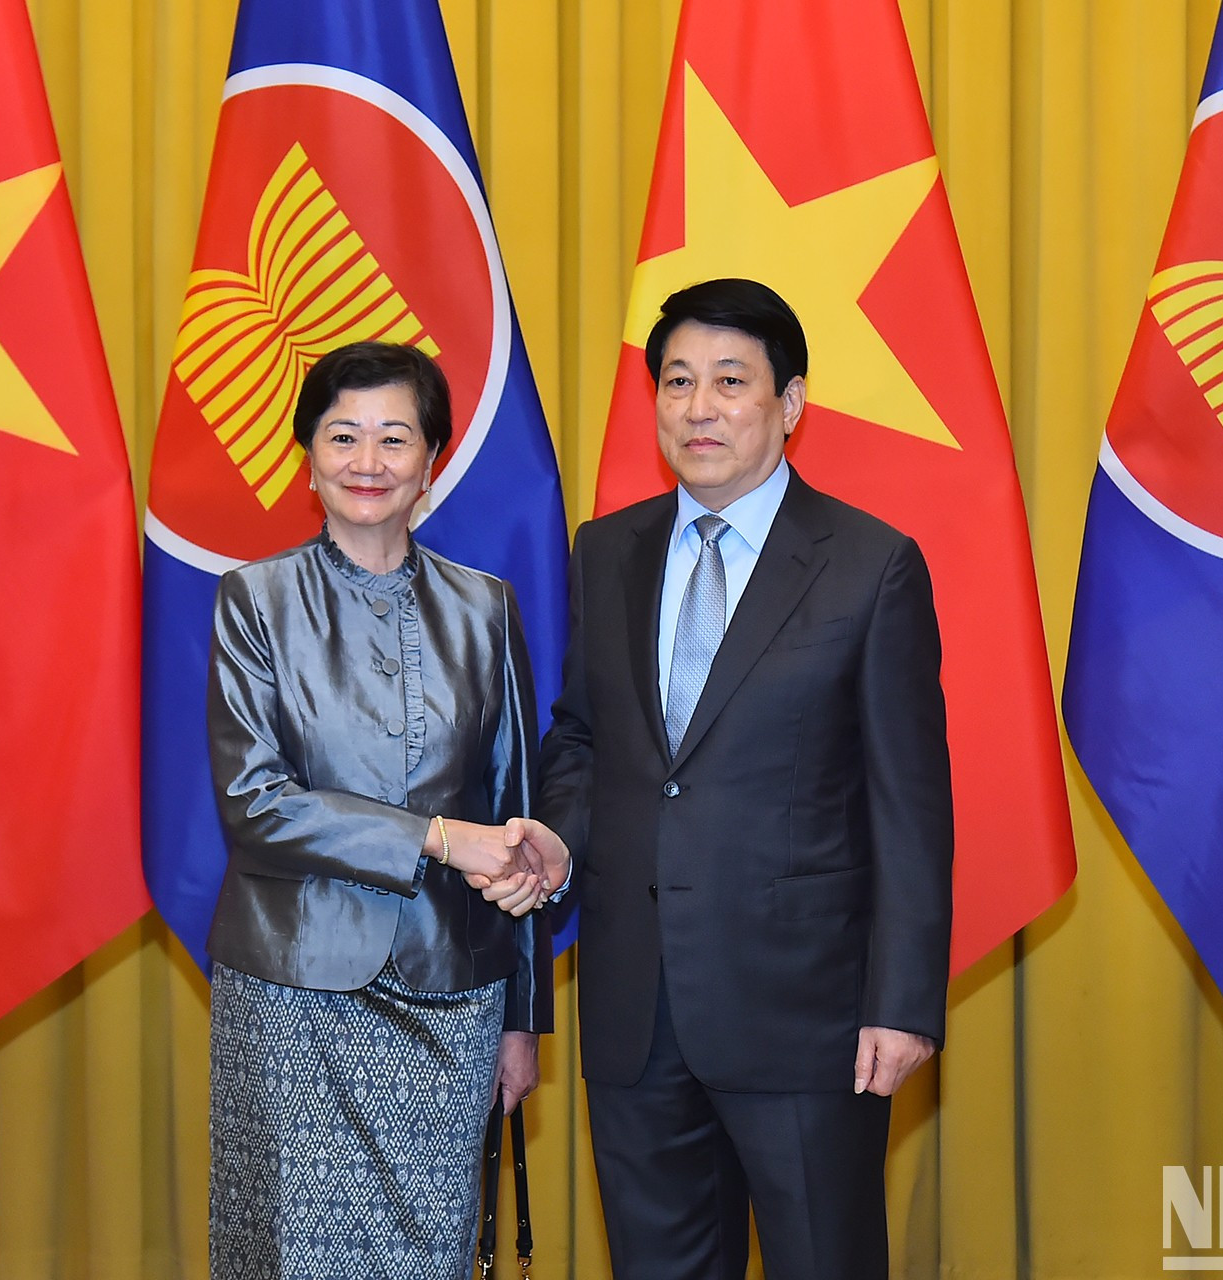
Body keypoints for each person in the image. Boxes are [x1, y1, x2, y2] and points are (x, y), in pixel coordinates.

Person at [537, 278, 953, 1279]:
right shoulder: (607, 552)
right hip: (637, 1009)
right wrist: (557, 833)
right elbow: (585, 739)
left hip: (807, 1016)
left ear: (791, 404)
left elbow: (910, 804)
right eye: (677, 381)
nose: (699, 406)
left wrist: (902, 1000)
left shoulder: (870, 563)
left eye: (730, 380)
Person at [205, 341, 571, 1280]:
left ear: (431, 463)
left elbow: (517, 823)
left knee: (432, 1256)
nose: (368, 463)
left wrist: (522, 1020)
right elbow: (257, 806)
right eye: (343, 437)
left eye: (394, 439)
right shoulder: (254, 601)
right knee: (293, 1257)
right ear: (308, 459)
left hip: (454, 995)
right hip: (293, 989)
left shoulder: (486, 608)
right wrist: (441, 839)